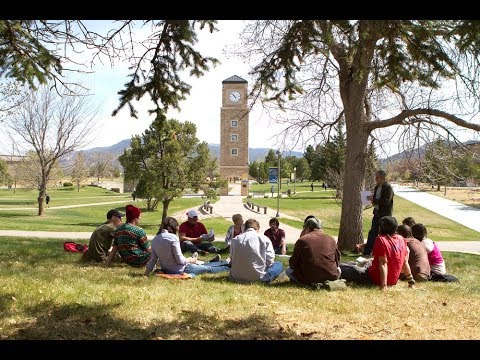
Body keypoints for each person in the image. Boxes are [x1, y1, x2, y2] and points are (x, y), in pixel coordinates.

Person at [339, 216, 415, 291]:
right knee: (354, 264)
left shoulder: (381, 239)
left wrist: (383, 285)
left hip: (374, 278)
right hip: (393, 280)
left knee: (346, 268)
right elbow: (405, 262)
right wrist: (411, 281)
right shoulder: (401, 239)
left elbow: (383, 263)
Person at [144, 217, 230, 277]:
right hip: (184, 269)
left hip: (168, 270)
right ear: (171, 228)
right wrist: (191, 259)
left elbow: (153, 260)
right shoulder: (173, 238)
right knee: (209, 269)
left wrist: (146, 274)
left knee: (205, 265)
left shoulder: (155, 240)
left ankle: (226, 262)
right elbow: (180, 260)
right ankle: (229, 266)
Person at [286, 217, 341, 286]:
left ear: (307, 229)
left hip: (308, 278)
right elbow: (337, 261)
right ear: (321, 229)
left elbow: (293, 264)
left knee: (288, 270)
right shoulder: (331, 239)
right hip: (331, 276)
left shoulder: (302, 240)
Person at [229, 218, 284, 284]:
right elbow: (270, 261)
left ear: (245, 228)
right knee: (279, 264)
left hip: (236, 276)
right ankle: (266, 277)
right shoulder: (264, 239)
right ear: (257, 229)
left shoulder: (235, 239)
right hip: (259, 277)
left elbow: (232, 258)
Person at [363, 169, 394, 256]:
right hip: (376, 212)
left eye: (377, 177)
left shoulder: (388, 187)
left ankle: (384, 253)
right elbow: (377, 201)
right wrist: (372, 200)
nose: (375, 179)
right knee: (372, 232)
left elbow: (386, 201)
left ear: (382, 177)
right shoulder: (377, 187)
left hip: (385, 215)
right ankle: (367, 252)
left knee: (384, 234)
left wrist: (374, 200)